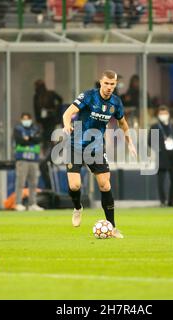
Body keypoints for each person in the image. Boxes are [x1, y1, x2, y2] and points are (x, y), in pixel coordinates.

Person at [62, 70, 137, 238]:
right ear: (101, 83)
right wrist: (67, 124)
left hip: (96, 147)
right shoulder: (89, 96)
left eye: (112, 84)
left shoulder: (116, 102)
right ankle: (77, 207)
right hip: (75, 145)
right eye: (106, 83)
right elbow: (68, 113)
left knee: (105, 185)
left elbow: (123, 123)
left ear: (115, 84)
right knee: (74, 186)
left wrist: (129, 142)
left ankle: (112, 227)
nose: (109, 87)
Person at [149, 106, 173, 207]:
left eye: (165, 113)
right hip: (161, 157)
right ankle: (163, 201)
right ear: (158, 115)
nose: (164, 116)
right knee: (161, 181)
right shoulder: (155, 127)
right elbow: (150, 141)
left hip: (172, 157)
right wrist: (159, 149)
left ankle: (171, 201)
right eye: (161, 114)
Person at [14, 112, 44, 212]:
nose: (26, 121)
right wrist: (31, 140)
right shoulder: (18, 129)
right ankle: (18, 203)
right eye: (24, 119)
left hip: (34, 160)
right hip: (22, 159)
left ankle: (32, 204)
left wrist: (29, 139)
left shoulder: (35, 129)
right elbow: (20, 141)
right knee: (20, 183)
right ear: (21, 119)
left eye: (28, 118)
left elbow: (39, 139)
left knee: (34, 183)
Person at [33, 79, 63, 150]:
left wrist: (55, 109)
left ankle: (49, 151)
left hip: (48, 119)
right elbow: (60, 100)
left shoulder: (48, 94)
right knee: (48, 137)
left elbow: (36, 110)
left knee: (48, 137)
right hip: (47, 119)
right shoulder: (38, 96)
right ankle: (49, 151)